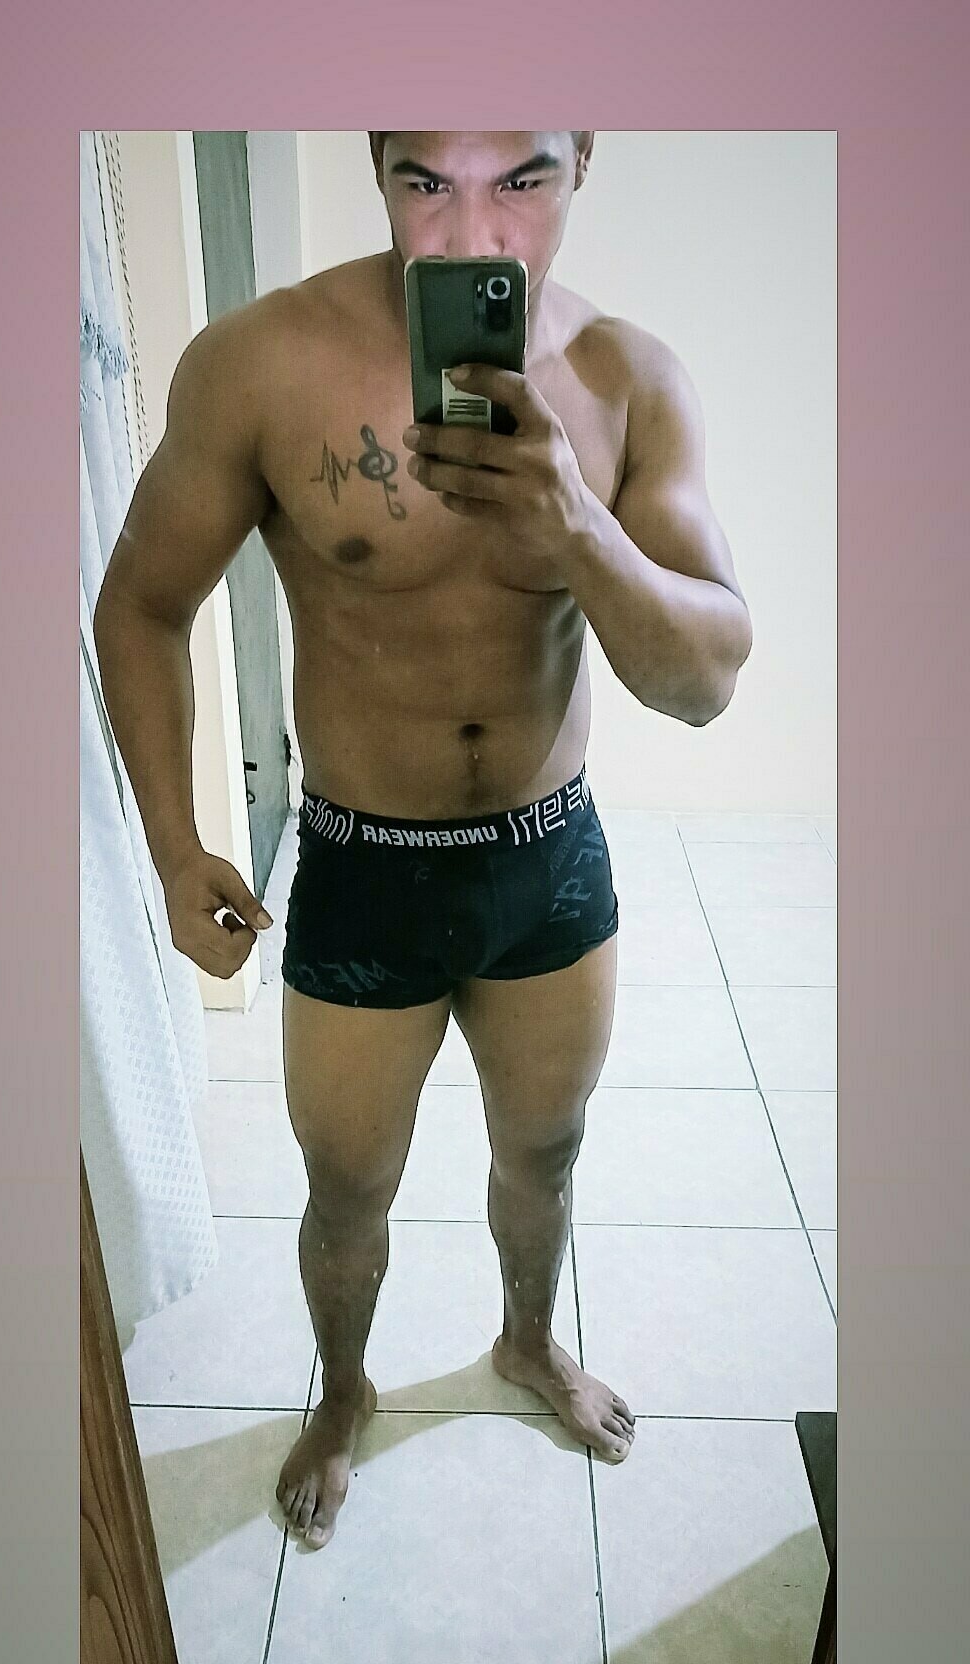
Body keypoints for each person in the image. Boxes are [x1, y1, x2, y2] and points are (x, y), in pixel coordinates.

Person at [94, 131, 752, 1550]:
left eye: (521, 179)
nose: (469, 236)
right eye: (423, 182)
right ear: (374, 163)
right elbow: (139, 602)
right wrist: (174, 847)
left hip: (546, 859)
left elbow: (704, 680)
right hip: (359, 866)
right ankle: (343, 1391)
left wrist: (576, 527)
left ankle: (526, 1339)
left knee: (547, 1153)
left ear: (584, 157)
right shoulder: (262, 366)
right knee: (347, 1188)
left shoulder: (629, 381)